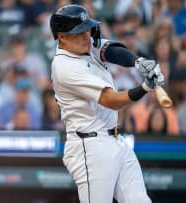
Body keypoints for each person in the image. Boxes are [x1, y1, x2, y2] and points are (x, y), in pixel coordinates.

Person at [50, 5, 165, 203]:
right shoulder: (64, 66)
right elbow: (110, 100)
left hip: (115, 140)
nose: (87, 35)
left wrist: (138, 62)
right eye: (79, 32)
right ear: (62, 36)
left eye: (87, 29)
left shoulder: (83, 44)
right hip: (89, 147)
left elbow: (111, 50)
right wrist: (145, 88)